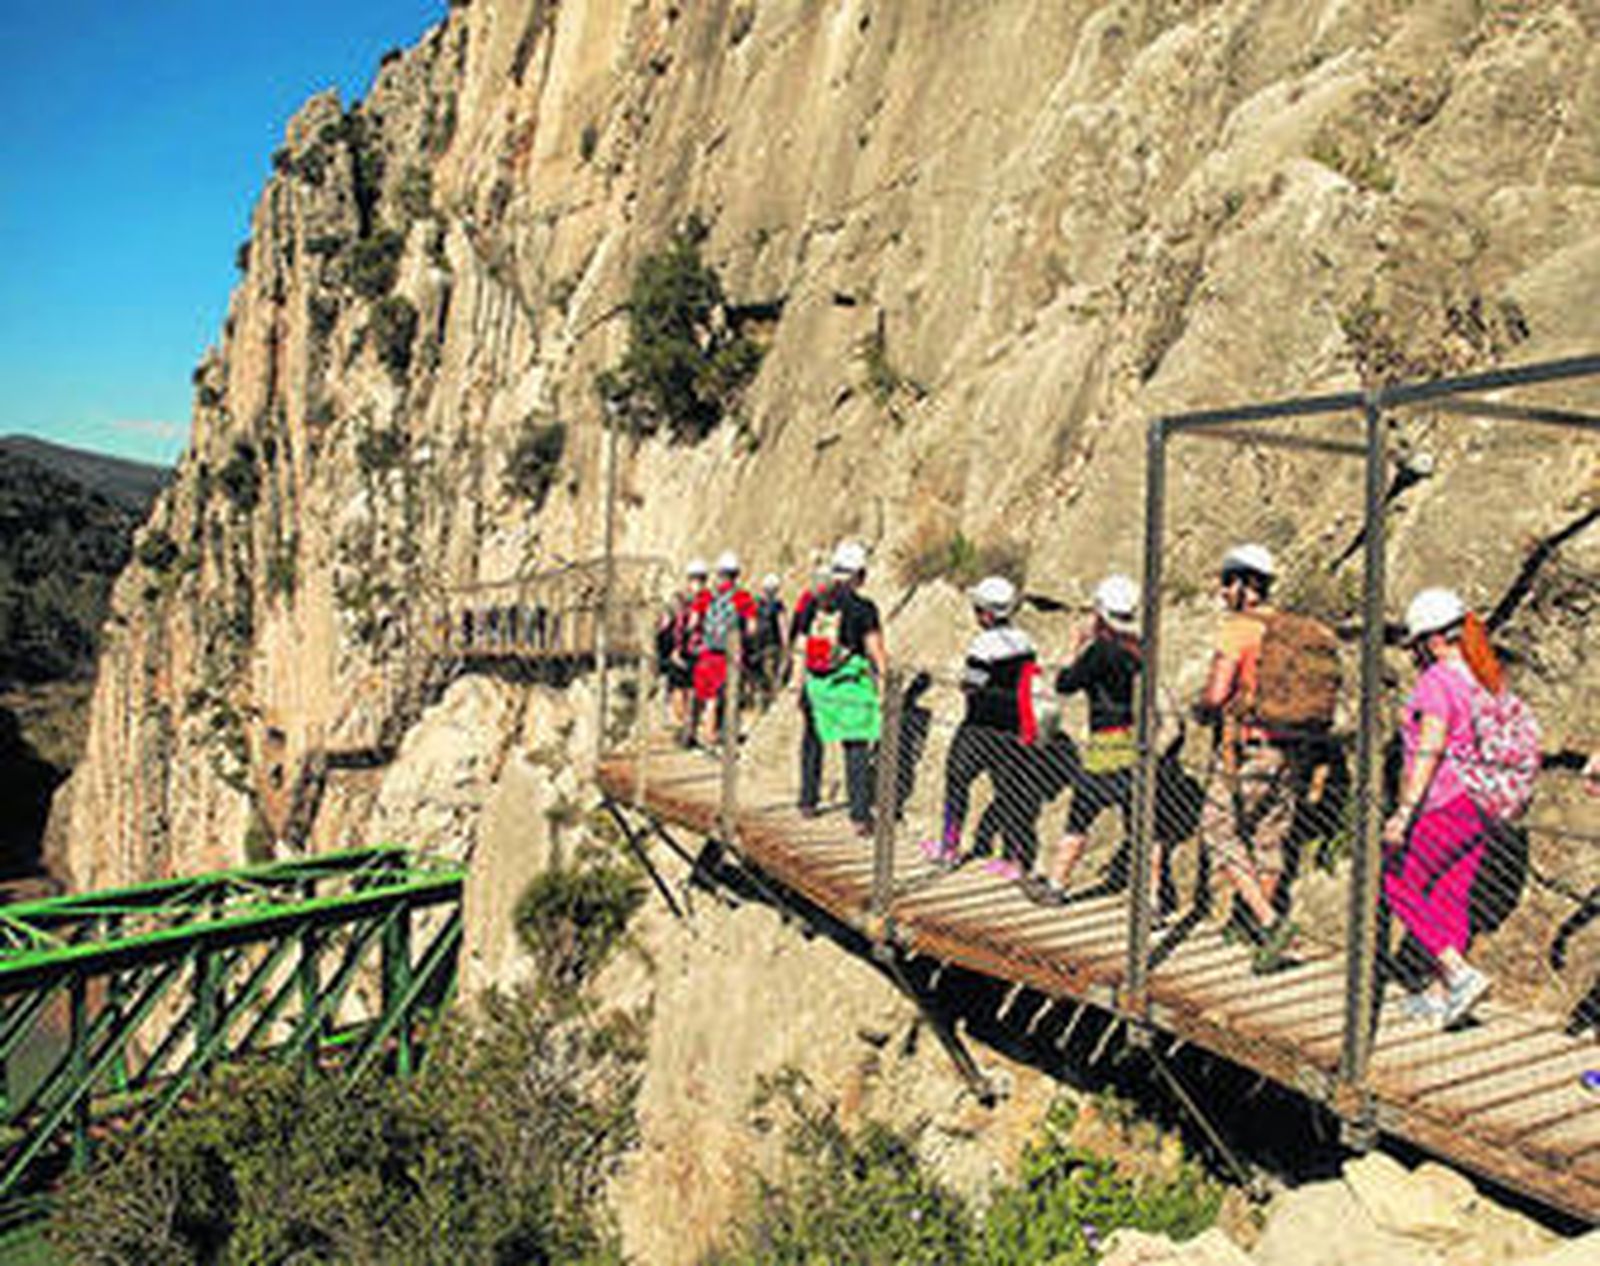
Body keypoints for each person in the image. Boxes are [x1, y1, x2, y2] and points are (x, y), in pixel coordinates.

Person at [1383, 587, 1503, 1029]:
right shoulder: (1484, 677)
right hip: (1482, 802)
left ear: (1433, 641)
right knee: (1450, 893)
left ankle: (1459, 972)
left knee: (1397, 881)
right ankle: (1440, 995)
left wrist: (1404, 811)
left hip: (1443, 801)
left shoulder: (1437, 682)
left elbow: (1429, 750)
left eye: (1416, 644)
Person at [1194, 544, 1301, 971]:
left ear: (1242, 584)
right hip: (1291, 750)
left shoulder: (1238, 629)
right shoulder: (1288, 628)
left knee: (1218, 829)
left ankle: (1270, 923)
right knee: (1267, 838)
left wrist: (1202, 707)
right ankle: (1252, 926)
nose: (1222, 590)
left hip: (1250, 748)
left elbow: (1218, 694)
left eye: (1227, 581)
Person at [1041, 575, 1158, 910]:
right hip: (1136, 745)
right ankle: (1152, 900)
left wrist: (1075, 647)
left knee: (1080, 817)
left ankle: (1057, 884)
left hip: (1104, 747)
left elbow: (1065, 684)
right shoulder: (1140, 650)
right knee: (1141, 826)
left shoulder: (1100, 651)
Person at [922, 577, 1042, 878]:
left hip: (979, 726)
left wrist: (965, 682)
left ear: (987, 614)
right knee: (1010, 792)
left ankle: (949, 848)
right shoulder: (1025, 641)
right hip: (1011, 727)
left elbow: (972, 686)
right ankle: (1015, 860)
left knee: (956, 780)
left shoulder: (982, 645)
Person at [794, 541, 887, 835]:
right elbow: (875, 649)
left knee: (812, 741)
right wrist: (885, 680)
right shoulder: (863, 607)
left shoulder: (813, 601)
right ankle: (859, 815)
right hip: (849, 684)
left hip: (816, 682)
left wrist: (798, 683)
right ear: (860, 574)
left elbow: (800, 644)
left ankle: (808, 801)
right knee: (856, 746)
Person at [690, 552, 756, 747]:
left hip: (707, 653)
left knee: (708, 698)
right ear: (736, 575)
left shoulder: (706, 596)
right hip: (730, 655)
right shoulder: (742, 597)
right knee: (732, 696)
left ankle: (706, 734)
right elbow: (752, 628)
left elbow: (693, 623)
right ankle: (727, 734)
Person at [751, 573, 789, 707]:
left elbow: (752, 627)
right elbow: (783, 627)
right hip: (769, 647)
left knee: (762, 678)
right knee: (769, 677)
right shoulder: (776, 606)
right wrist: (786, 647)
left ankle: (763, 703)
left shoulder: (757, 604)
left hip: (761, 647)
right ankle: (767, 703)